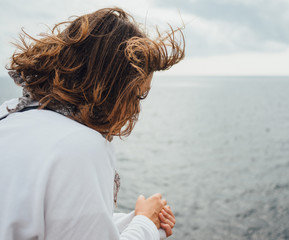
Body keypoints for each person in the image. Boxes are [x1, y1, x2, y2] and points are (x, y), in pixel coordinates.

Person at [0, 7, 184, 240]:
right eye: (137, 96)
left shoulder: (10, 115)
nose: (136, 109)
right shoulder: (80, 146)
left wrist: (136, 219)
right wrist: (146, 224)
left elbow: (45, 222)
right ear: (112, 88)